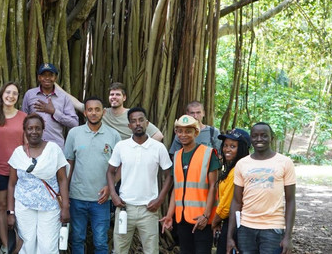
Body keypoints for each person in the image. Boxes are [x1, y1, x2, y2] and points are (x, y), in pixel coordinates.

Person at [107, 107, 173, 254]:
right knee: (119, 250)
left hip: (148, 209)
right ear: (129, 126)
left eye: (141, 120)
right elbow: (110, 171)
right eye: (133, 121)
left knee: (151, 251)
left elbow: (169, 175)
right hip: (124, 208)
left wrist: (160, 199)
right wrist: (114, 195)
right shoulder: (121, 146)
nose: (138, 124)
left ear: (147, 123)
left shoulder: (158, 148)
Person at [227, 123, 296, 254]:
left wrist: (288, 236)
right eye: (255, 136)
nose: (259, 139)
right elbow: (236, 202)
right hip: (246, 227)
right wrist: (230, 237)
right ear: (251, 138)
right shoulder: (242, 164)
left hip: (273, 228)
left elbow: (291, 200)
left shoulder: (285, 162)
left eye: (264, 136)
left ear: (272, 138)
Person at [64, 97, 121, 254]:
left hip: (101, 199)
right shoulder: (74, 134)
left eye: (97, 109)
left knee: (101, 241)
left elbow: (120, 165)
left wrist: (110, 187)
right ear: (85, 113)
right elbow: (69, 163)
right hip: (77, 196)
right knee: (77, 238)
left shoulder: (113, 135)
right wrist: (65, 192)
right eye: (90, 110)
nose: (93, 113)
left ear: (103, 112)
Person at [7, 114, 70, 254]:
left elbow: (62, 179)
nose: (34, 132)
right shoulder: (18, 153)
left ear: (43, 130)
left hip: (50, 206)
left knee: (47, 247)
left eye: (37, 128)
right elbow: (11, 184)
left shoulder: (53, 150)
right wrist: (10, 212)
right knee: (26, 245)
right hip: (24, 206)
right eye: (30, 128)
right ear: (24, 130)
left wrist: (65, 206)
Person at [159, 115, 220, 254]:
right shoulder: (177, 155)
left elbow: (213, 186)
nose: (183, 135)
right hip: (182, 218)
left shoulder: (208, 153)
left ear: (196, 133)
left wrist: (206, 215)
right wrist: (169, 215)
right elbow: (177, 188)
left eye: (188, 131)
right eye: (180, 131)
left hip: (202, 219)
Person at [0, 82, 27, 253]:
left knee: (17, 206)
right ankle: (6, 245)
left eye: (15, 93)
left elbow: (27, 143)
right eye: (8, 92)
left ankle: (20, 243)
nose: (11, 96)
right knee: (0, 206)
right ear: (2, 94)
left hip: (19, 169)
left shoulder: (23, 116)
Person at [211, 128, 251, 254]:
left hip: (236, 223)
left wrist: (214, 221)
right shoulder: (232, 168)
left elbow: (227, 205)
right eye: (226, 145)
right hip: (231, 221)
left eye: (233, 146)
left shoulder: (237, 171)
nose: (227, 149)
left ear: (242, 149)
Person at [21, 63, 79, 149]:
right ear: (39, 77)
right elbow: (23, 121)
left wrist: (54, 112)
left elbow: (74, 123)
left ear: (55, 78)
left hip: (55, 147)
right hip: (33, 147)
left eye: (50, 75)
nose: (47, 78)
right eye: (44, 75)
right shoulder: (29, 95)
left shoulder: (63, 97)